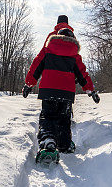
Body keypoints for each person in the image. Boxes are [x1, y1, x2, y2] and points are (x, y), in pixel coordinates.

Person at [22, 15, 100, 156]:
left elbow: (36, 66)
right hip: (66, 92)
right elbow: (82, 73)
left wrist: (29, 84)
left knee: (48, 116)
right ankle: (64, 144)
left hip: (48, 89)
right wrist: (90, 90)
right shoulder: (74, 53)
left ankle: (48, 141)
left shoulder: (48, 48)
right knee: (64, 118)